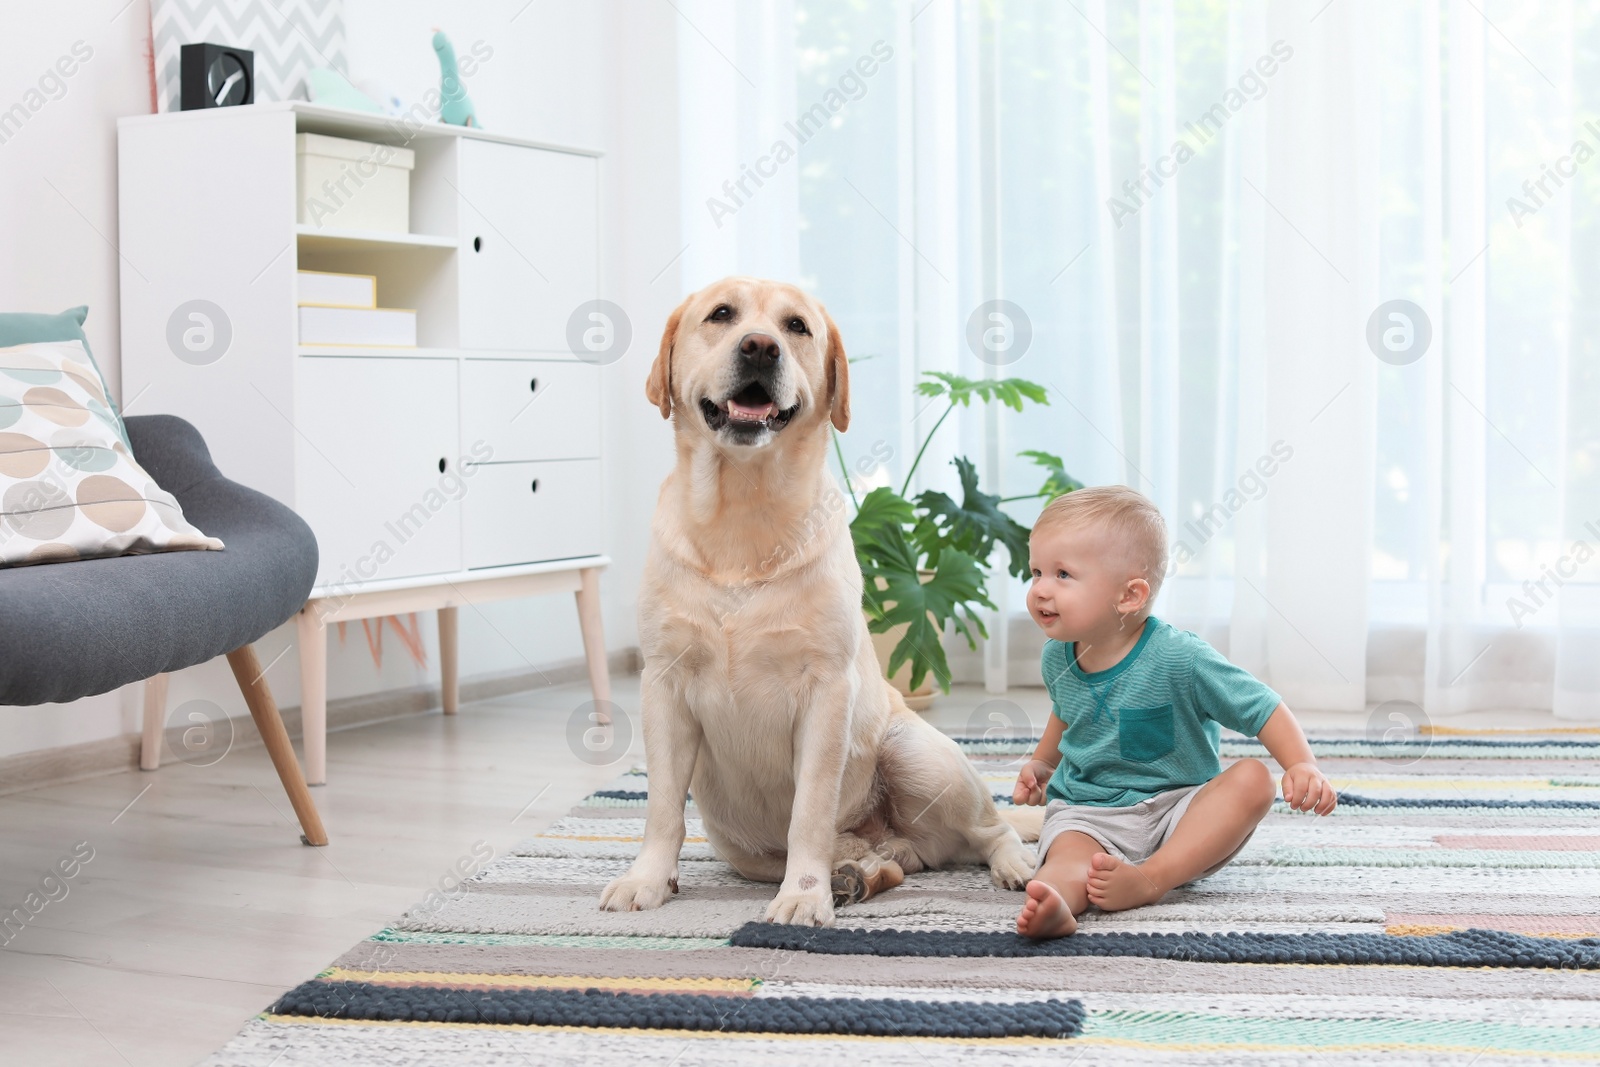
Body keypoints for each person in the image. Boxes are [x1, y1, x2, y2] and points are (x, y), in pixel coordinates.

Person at [1012, 485, 1336, 939]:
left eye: (1063, 574)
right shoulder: (1057, 657)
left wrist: (1301, 764)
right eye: (1037, 572)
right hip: (1090, 812)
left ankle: (1154, 878)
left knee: (1252, 780)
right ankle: (1057, 903)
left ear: (1129, 596)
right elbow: (1066, 713)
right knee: (1064, 858)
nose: (1041, 589)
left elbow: (1262, 706)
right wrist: (1045, 762)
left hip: (1180, 814)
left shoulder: (1181, 658)